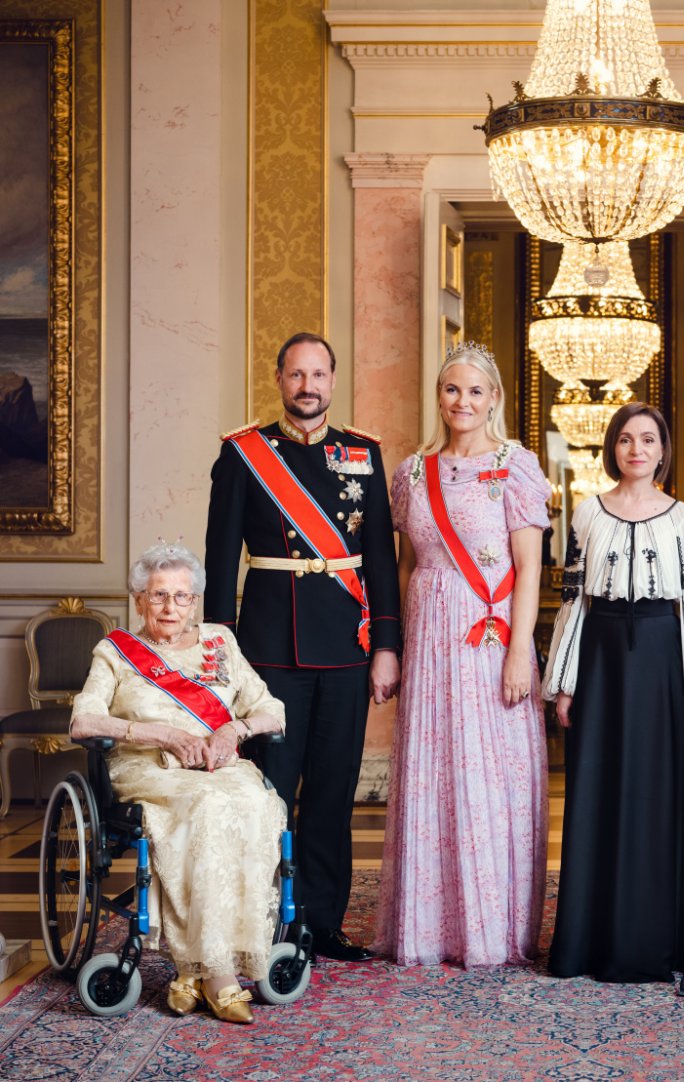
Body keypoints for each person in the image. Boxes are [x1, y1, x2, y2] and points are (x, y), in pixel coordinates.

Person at [204, 332, 401, 962]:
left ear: (333, 381)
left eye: (318, 374)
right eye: (296, 374)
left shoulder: (363, 453)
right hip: (269, 653)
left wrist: (388, 647)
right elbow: (216, 563)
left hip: (346, 647)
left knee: (333, 792)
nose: (307, 386)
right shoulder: (243, 455)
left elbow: (382, 565)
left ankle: (320, 922)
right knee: (268, 793)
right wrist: (219, 660)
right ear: (280, 379)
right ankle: (262, 922)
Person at [372, 341, 550, 967]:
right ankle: (429, 930)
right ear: (438, 396)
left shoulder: (518, 465)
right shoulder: (412, 472)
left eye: (476, 391)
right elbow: (401, 568)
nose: (462, 402)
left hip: (491, 635)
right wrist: (390, 645)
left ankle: (490, 929)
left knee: (487, 776)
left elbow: (528, 569)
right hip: (428, 636)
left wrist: (520, 654)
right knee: (435, 771)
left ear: (494, 398)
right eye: (452, 390)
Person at [70, 541, 287, 1024]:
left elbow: (271, 707)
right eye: (158, 595)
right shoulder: (116, 651)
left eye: (181, 596)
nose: (170, 607)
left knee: (257, 804)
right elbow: (83, 722)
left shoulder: (219, 643)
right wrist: (160, 733)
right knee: (205, 810)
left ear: (196, 601)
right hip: (148, 769)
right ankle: (219, 976)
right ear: (139, 599)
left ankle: (192, 972)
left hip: (217, 766)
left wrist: (235, 728)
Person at [543, 403, 684, 982]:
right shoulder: (588, 514)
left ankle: (663, 940)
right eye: (625, 439)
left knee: (661, 792)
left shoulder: (683, 518)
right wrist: (564, 685)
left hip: (665, 660)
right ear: (611, 449)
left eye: (648, 439)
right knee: (599, 788)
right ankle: (592, 942)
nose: (636, 449)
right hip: (602, 659)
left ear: (663, 449)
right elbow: (573, 601)